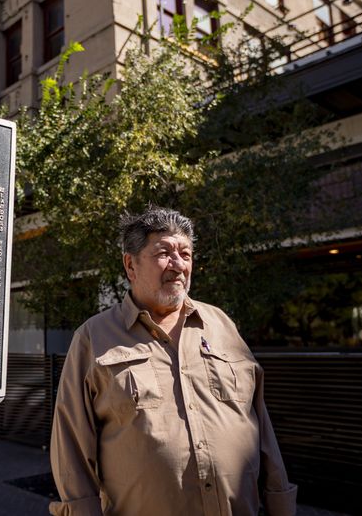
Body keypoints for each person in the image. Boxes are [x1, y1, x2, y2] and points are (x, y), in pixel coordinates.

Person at [49, 206, 297, 516]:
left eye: (186, 254)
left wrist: (280, 503)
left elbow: (258, 420)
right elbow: (71, 445)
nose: (178, 264)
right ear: (130, 265)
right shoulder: (93, 337)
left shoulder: (221, 325)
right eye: (163, 252)